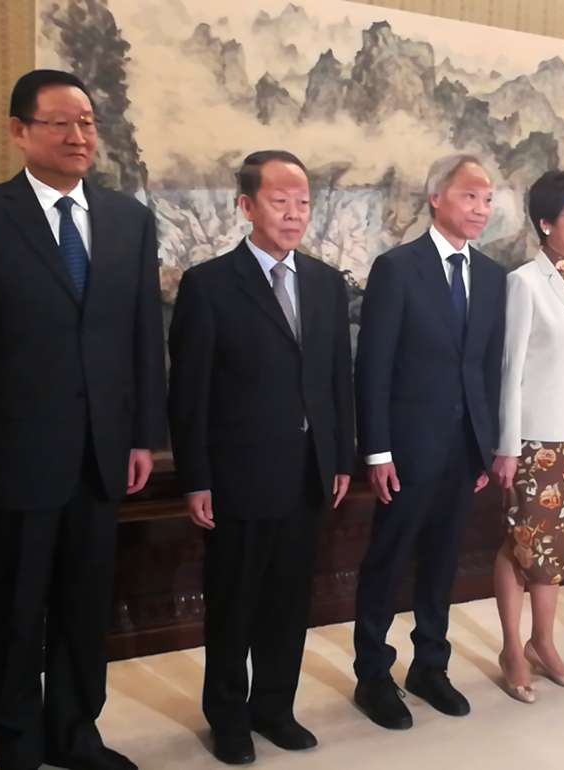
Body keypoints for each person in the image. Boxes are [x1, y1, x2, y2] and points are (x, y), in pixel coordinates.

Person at [0, 69, 166, 770]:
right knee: (14, 610)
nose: (78, 136)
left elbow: (141, 337)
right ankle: (17, 744)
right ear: (19, 131)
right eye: (60, 122)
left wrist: (143, 435)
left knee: (85, 607)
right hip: (14, 457)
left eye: (88, 122)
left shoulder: (128, 219)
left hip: (102, 454)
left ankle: (76, 733)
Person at [167, 150, 355, 764]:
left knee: (288, 601)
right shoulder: (210, 284)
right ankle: (227, 717)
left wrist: (341, 459)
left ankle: (275, 707)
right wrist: (195, 477)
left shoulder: (326, 283)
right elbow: (188, 393)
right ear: (246, 206)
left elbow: (336, 381)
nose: (294, 213)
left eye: (303, 202)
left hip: (308, 474)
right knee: (235, 603)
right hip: (238, 475)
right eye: (280, 201)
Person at [353, 154, 505, 730]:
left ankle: (430, 666)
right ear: (436, 197)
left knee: (443, 562)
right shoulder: (398, 268)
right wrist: (378, 450)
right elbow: (374, 366)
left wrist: (485, 446)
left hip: (464, 450)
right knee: (388, 562)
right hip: (407, 449)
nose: (481, 209)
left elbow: (487, 366)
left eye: (488, 199)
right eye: (470, 196)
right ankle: (373, 673)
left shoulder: (491, 275)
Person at [492, 170, 564, 703]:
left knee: (556, 548)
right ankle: (513, 648)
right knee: (523, 545)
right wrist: (508, 447)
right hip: (535, 440)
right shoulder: (524, 282)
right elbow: (511, 369)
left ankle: (544, 641)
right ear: (545, 222)